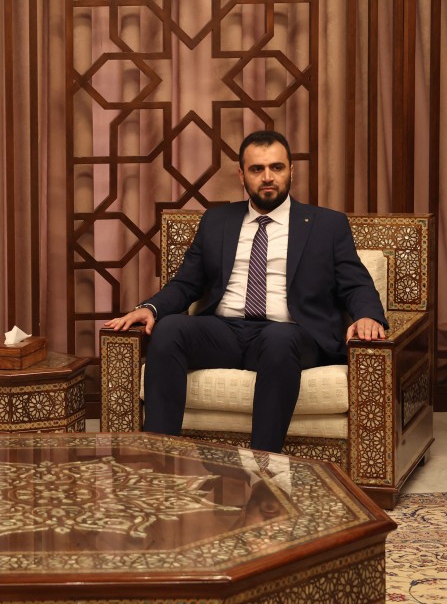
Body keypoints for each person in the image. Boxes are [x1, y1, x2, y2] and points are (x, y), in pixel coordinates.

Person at [104, 130, 386, 453]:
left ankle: (261, 470)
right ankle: (159, 460)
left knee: (278, 339)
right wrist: (151, 308)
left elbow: (356, 282)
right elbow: (187, 283)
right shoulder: (217, 221)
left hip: (291, 334)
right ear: (242, 175)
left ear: (291, 171)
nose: (268, 177)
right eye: (257, 169)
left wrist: (367, 315)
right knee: (169, 330)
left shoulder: (327, 225)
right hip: (226, 331)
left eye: (277, 168)